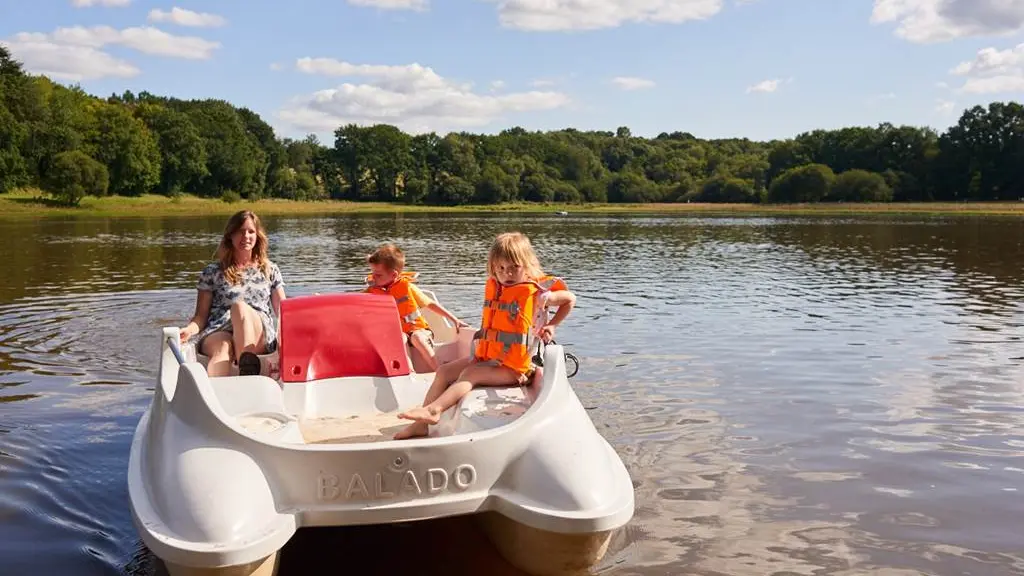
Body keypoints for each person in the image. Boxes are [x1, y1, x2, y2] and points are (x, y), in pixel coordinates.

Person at [394, 232, 576, 439]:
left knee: (471, 375)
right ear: (494, 268)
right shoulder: (497, 287)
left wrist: (552, 325)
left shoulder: (537, 294)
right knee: (444, 371)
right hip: (487, 359)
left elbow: (570, 299)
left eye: (514, 267)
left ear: (527, 265)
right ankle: (420, 426)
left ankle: (433, 411)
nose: (507, 274)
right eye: (501, 268)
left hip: (514, 369)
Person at [178, 210, 286, 377]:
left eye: (251, 231)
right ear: (230, 235)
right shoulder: (212, 271)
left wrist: (309, 316)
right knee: (222, 349)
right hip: (220, 329)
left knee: (240, 307)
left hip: (258, 332)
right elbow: (200, 317)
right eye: (240, 231)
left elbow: (283, 311)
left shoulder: (270, 270)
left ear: (257, 235)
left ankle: (247, 371)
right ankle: (213, 396)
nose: (246, 236)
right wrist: (188, 330)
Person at [364, 243, 469, 371]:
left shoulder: (407, 287)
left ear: (393, 275)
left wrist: (455, 320)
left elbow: (431, 304)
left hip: (419, 330)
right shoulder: (370, 292)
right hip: (396, 334)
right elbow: (353, 309)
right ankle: (410, 373)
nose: (373, 277)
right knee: (400, 337)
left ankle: (440, 371)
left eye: (378, 275)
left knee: (417, 338)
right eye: (373, 273)